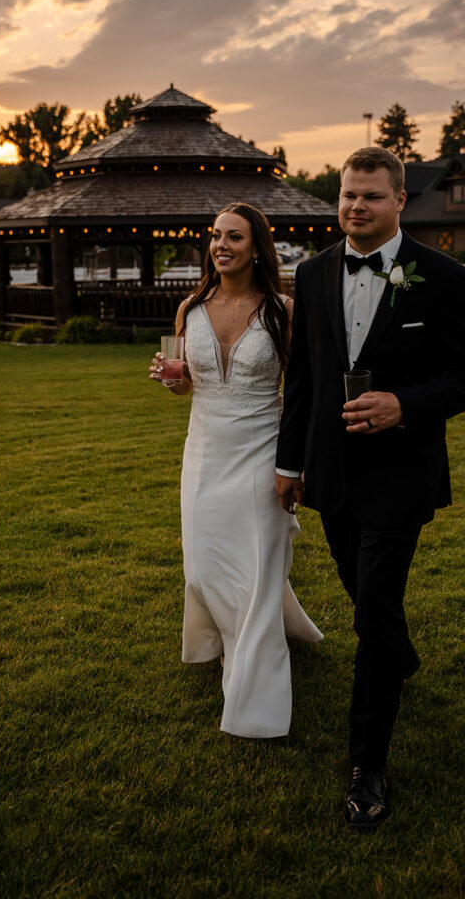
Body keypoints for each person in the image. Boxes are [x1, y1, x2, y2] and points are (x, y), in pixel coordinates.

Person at [275, 147, 465, 828]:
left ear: (400, 200)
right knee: (363, 595)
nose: (354, 207)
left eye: (369, 196)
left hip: (401, 473)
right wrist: (288, 465)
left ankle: (366, 765)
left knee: (371, 609)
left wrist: (405, 404)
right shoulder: (309, 276)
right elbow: (303, 382)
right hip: (330, 473)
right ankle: (397, 654)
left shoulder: (444, 277)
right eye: (346, 195)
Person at [150, 202, 322, 739]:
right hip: (204, 452)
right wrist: (168, 379)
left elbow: (303, 392)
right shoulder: (189, 309)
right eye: (216, 236)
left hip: (262, 452)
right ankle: (231, 632)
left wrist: (294, 464)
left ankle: (252, 685)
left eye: (235, 237)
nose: (222, 245)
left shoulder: (282, 310)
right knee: (202, 567)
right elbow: (183, 386)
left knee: (256, 567)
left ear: (257, 248)